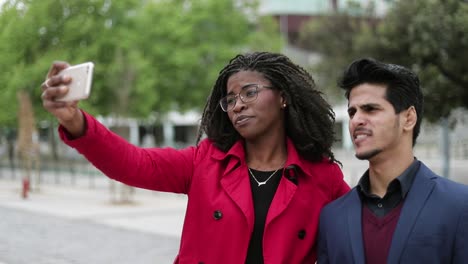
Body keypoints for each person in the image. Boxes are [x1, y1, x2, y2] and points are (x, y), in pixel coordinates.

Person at [41, 51, 350, 264]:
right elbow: (132, 163)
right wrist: (75, 120)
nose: (238, 105)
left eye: (249, 92)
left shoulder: (322, 177)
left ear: (283, 97)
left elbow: (361, 234)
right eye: (229, 100)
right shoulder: (205, 163)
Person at [317, 58, 468, 264]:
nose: (356, 120)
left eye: (370, 109)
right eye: (353, 112)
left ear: (408, 118)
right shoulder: (332, 218)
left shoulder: (459, 207)